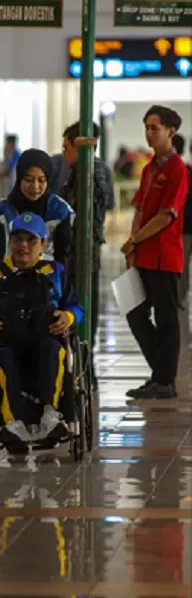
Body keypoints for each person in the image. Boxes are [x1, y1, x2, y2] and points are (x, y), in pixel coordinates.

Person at [0, 213, 84, 450]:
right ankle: (12, 424)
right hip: (7, 343)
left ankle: (51, 416)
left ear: (44, 245)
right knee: (3, 358)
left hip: (45, 340)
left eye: (31, 240)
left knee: (54, 350)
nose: (23, 246)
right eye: (18, 239)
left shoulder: (55, 271)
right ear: (10, 242)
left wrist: (67, 317)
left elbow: (76, 308)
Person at [121, 105, 189, 400]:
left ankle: (165, 380)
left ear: (171, 131)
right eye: (146, 127)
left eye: (155, 128)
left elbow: (166, 216)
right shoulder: (150, 168)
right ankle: (159, 372)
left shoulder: (177, 170)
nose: (149, 133)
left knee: (166, 318)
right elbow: (139, 209)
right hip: (144, 255)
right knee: (135, 313)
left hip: (164, 255)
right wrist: (132, 245)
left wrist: (136, 239)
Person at [59, 121, 115, 363]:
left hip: (83, 249)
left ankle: (82, 358)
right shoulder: (86, 171)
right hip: (80, 248)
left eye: (66, 147)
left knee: (82, 301)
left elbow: (83, 213)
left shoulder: (89, 172)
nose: (63, 153)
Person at [0, 149, 73, 266]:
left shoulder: (59, 210)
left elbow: (64, 258)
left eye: (41, 180)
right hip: (10, 280)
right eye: (29, 180)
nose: (35, 186)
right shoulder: (1, 212)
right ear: (19, 179)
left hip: (47, 280)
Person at [173, 134, 192, 310]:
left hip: (184, 225)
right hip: (185, 225)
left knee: (182, 264)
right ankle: (180, 296)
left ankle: (181, 297)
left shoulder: (180, 171)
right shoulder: (185, 170)